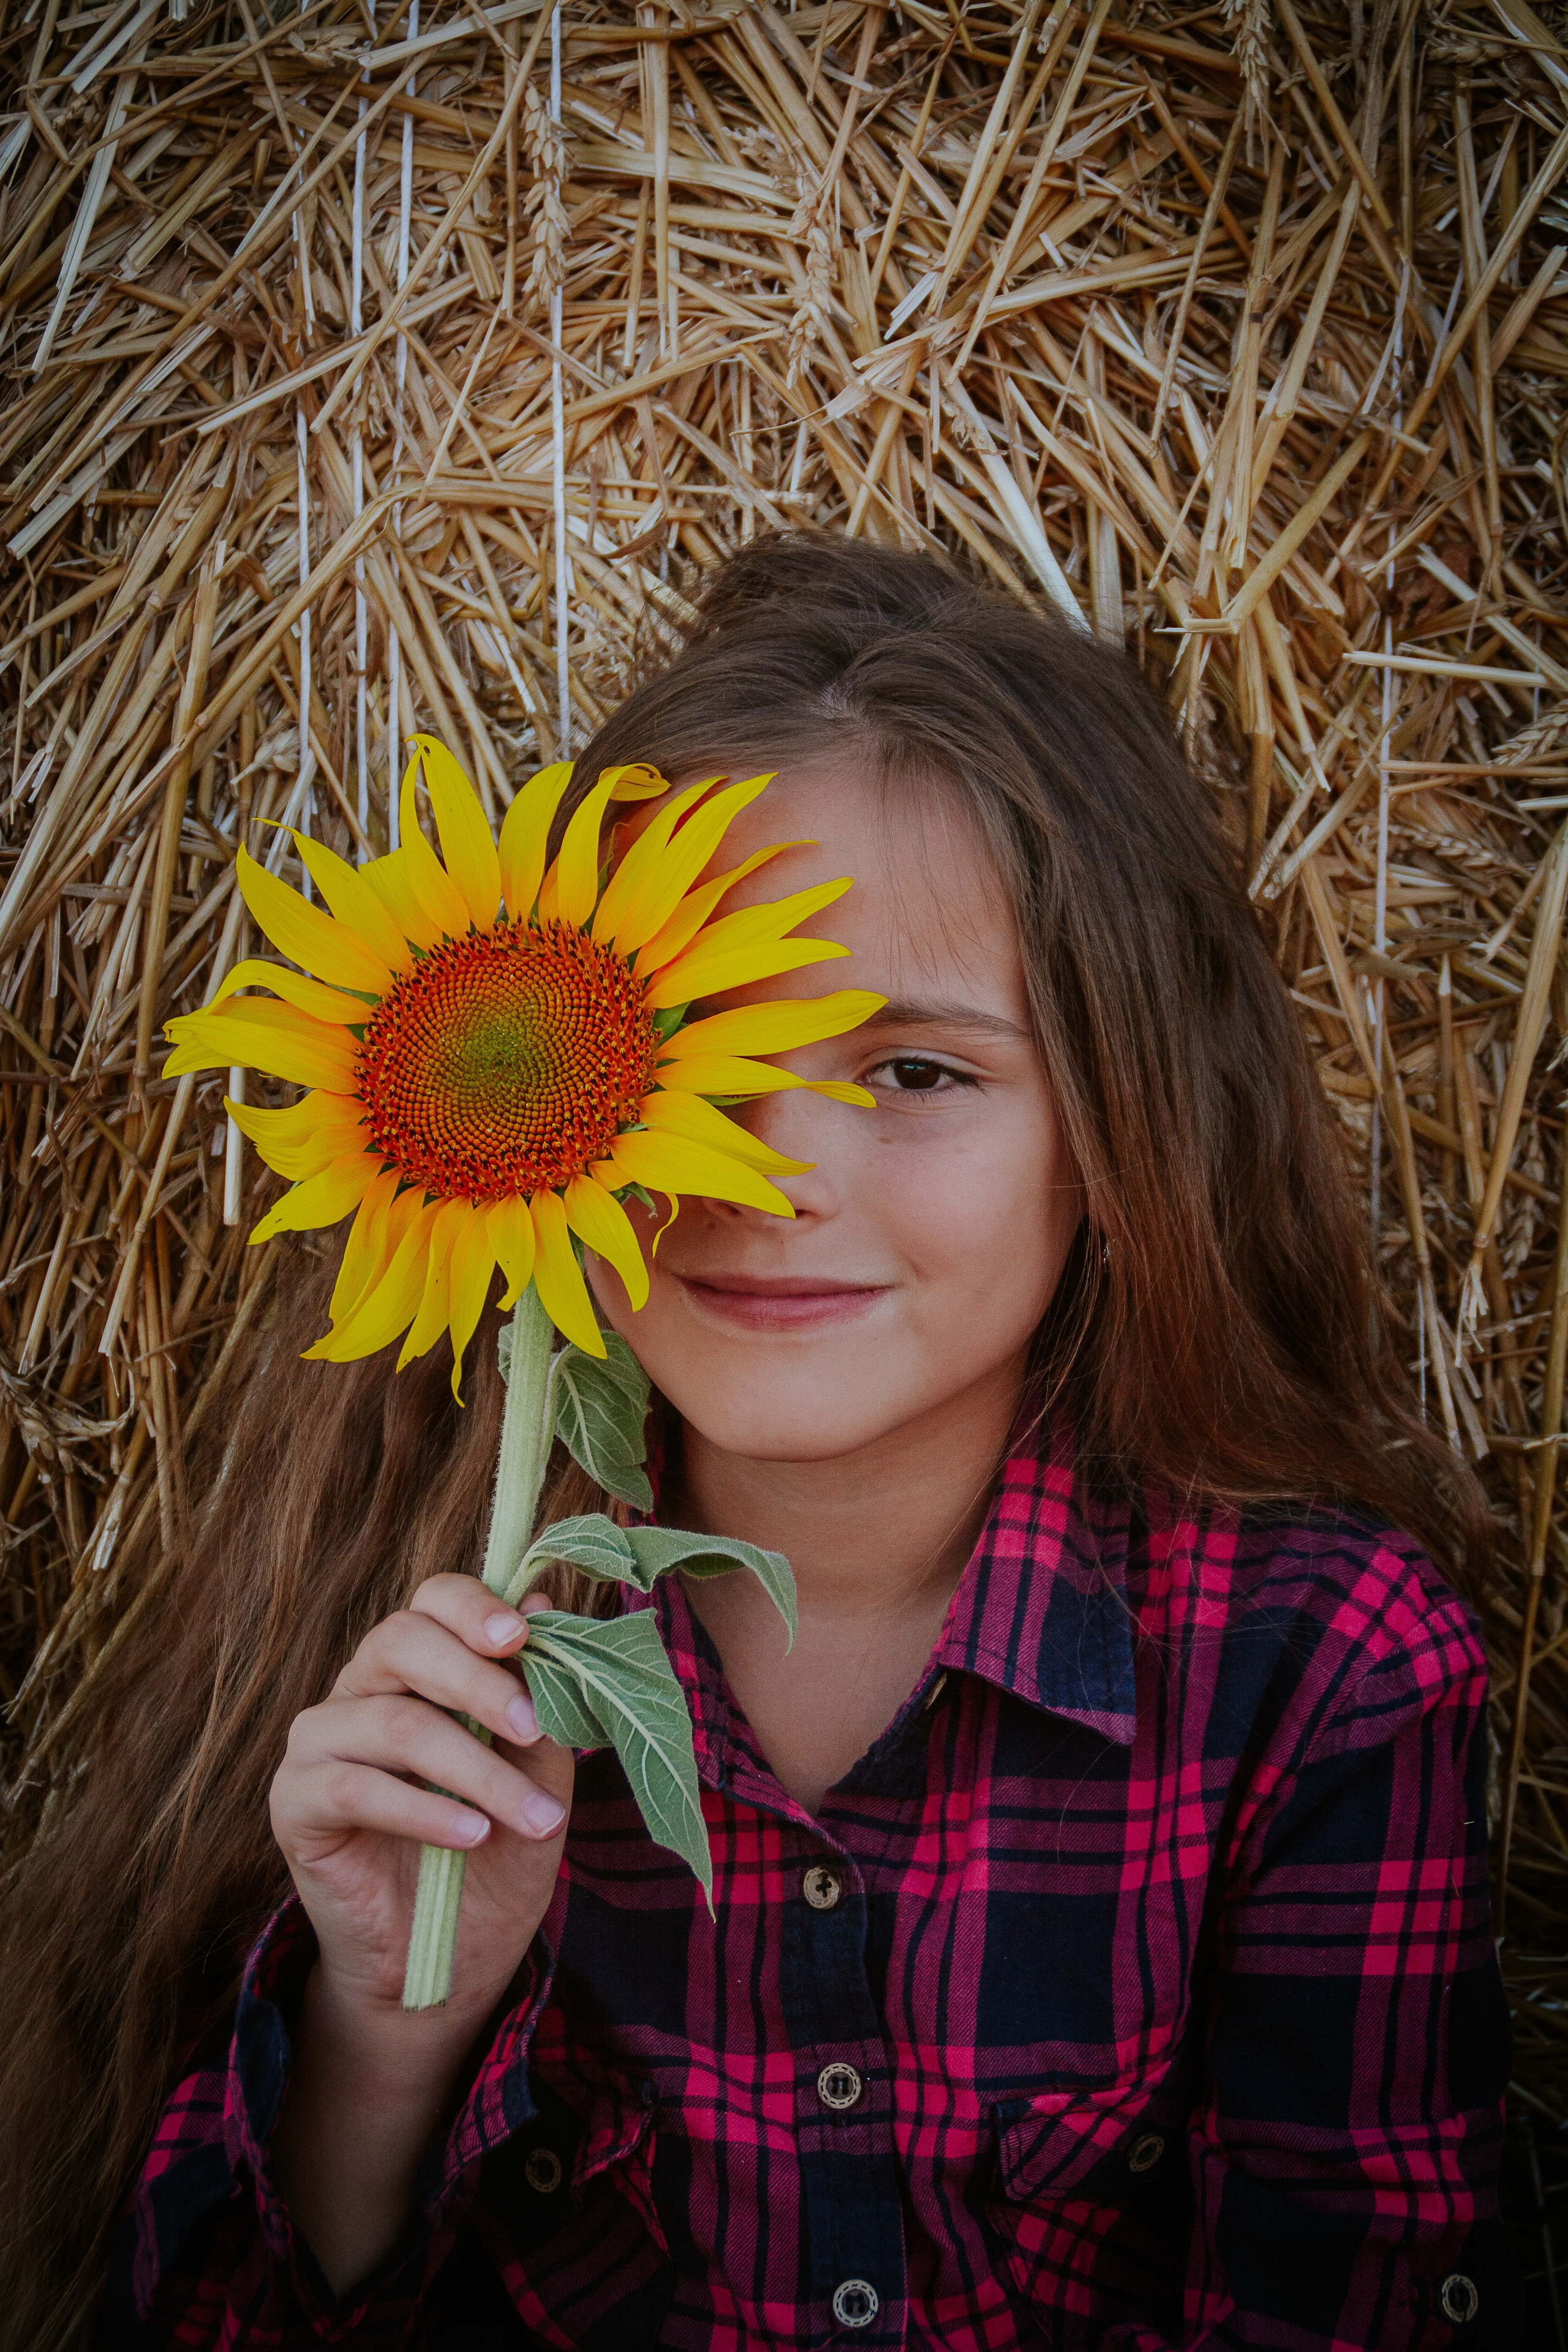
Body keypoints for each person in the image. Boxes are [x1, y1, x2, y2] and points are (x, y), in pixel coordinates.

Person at [0, 537, 1517, 2350]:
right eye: (686, 1051)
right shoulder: (406, 1628)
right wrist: (387, 2031)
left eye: (915, 1073)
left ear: (1120, 1129)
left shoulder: (1317, 1671)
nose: (762, 1175)